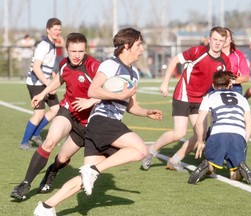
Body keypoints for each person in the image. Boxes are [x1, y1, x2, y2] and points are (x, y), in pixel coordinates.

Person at [33, 27, 162, 215]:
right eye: (139, 44)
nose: (142, 49)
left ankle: (46, 207)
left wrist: (146, 112)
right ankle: (94, 169)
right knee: (141, 150)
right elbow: (93, 91)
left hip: (100, 127)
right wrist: (119, 94)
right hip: (103, 120)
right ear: (127, 46)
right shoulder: (110, 65)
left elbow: (129, 105)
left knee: (85, 178)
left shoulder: (134, 73)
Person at [10, 33, 102, 200]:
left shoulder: (94, 66)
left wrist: (91, 101)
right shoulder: (64, 63)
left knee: (63, 158)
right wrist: (43, 93)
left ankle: (53, 170)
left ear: (85, 50)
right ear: (66, 50)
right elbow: (59, 78)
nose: (76, 55)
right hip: (68, 111)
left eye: (81, 51)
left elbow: (110, 89)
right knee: (50, 141)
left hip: (87, 123)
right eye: (73, 51)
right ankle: (25, 185)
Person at [141, 26, 231, 172]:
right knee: (179, 133)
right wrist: (165, 83)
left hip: (201, 100)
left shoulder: (225, 61)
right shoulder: (197, 51)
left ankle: (174, 160)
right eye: (215, 39)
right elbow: (174, 61)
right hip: (183, 94)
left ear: (225, 42)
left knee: (199, 135)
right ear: (209, 39)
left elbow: (223, 82)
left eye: (221, 40)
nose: (217, 43)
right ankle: (151, 151)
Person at [187, 70, 251, 185]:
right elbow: (250, 124)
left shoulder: (209, 96)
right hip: (237, 135)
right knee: (234, 176)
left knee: (211, 167)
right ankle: (241, 167)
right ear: (230, 84)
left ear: (213, 85)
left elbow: (199, 122)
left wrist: (200, 141)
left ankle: (207, 165)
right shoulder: (241, 98)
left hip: (218, 134)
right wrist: (244, 141)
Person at [19, 18, 62, 150]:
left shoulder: (52, 43)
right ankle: (24, 142)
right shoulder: (44, 45)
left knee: (55, 109)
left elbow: (47, 65)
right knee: (39, 113)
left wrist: (54, 75)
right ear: (48, 30)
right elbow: (36, 68)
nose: (57, 32)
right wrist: (49, 85)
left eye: (59, 29)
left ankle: (36, 134)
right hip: (35, 83)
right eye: (55, 29)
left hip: (44, 82)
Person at [222, 28, 250, 94]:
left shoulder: (238, 55)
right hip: (215, 87)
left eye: (227, 36)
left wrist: (231, 81)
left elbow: (246, 77)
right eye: (223, 36)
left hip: (234, 87)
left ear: (231, 39)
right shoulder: (212, 54)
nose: (225, 39)